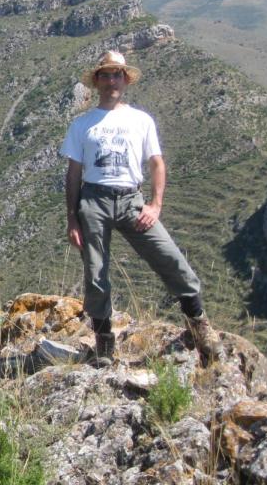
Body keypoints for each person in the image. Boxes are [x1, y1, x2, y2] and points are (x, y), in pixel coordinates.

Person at [60, 50, 223, 367]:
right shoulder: (82, 125)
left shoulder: (141, 120)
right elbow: (73, 174)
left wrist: (155, 204)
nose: (112, 81)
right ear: (97, 81)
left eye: (117, 74)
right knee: (96, 272)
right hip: (93, 200)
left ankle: (199, 325)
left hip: (132, 199)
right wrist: (72, 219)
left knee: (169, 256)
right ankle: (105, 343)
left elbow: (157, 163)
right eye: (106, 75)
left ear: (125, 79)